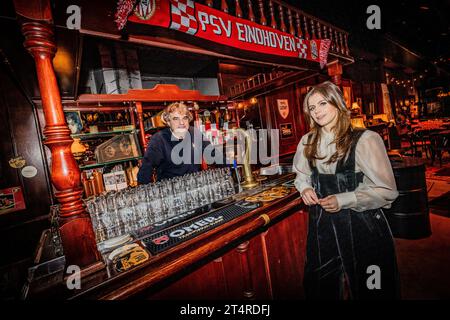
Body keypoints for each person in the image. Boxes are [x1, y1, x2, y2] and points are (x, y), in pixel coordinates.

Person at [293, 81, 400, 299]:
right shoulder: (307, 142)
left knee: (373, 287)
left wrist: (345, 199)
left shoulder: (365, 140)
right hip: (322, 227)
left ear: (338, 103)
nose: (316, 111)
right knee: (321, 285)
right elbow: (302, 175)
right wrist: (304, 188)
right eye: (312, 108)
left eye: (322, 103)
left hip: (363, 226)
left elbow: (387, 190)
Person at [137, 102, 225, 184]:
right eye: (176, 119)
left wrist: (233, 168)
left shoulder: (195, 133)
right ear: (168, 122)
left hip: (195, 185)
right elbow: (146, 168)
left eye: (185, 118)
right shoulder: (159, 139)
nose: (181, 123)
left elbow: (215, 155)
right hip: (170, 190)